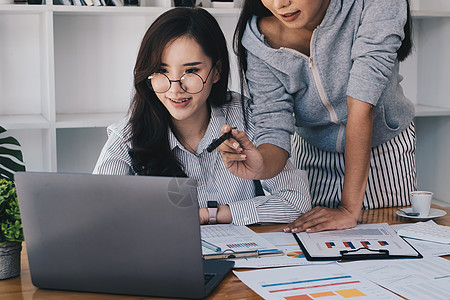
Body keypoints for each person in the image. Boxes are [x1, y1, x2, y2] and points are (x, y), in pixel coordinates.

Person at [93, 7, 312, 226]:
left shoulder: (247, 119)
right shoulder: (127, 137)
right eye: (162, 71)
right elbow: (97, 214)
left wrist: (212, 214)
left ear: (216, 71)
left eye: (191, 71)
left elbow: (296, 202)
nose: (175, 88)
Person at [219, 0, 416, 232]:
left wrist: (348, 209)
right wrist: (259, 164)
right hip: (313, 154)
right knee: (319, 252)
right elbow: (273, 127)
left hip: (383, 153)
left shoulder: (375, 4)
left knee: (391, 247)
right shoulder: (257, 39)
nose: (280, 4)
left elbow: (362, 105)